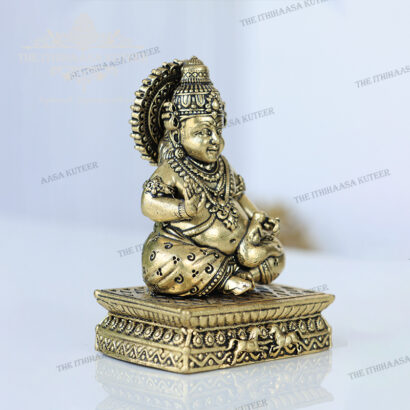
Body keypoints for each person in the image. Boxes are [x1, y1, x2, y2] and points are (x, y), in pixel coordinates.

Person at [131, 57, 284, 296]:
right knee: (161, 259)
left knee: (277, 254)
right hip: (190, 252)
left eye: (217, 130)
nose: (215, 139)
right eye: (202, 132)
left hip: (238, 252)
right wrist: (184, 209)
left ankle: (240, 275)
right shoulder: (172, 168)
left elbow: (239, 197)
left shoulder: (223, 165)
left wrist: (258, 218)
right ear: (177, 132)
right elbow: (148, 203)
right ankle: (225, 280)